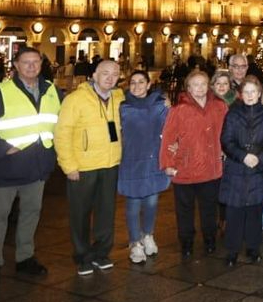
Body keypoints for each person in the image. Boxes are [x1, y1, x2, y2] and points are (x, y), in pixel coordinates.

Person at [0, 47, 59, 288]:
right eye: (25, 62)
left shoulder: (51, 91)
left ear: (41, 64)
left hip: (38, 167)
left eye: (35, 62)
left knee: (31, 214)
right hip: (8, 167)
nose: (31, 66)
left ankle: (25, 258)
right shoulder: (1, 93)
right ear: (16, 66)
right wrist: (2, 149)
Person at [55, 58, 125, 275]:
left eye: (115, 74)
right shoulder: (75, 99)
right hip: (83, 166)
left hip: (110, 163)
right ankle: (83, 255)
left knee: (106, 211)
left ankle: (102, 252)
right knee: (80, 213)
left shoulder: (119, 97)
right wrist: (69, 166)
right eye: (105, 73)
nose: (110, 78)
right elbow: (62, 133)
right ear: (94, 75)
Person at [160, 70, 229, 257]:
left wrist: (226, 150)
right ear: (188, 88)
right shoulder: (179, 109)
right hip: (185, 168)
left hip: (211, 168)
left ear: (209, 86)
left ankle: (209, 239)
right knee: (185, 210)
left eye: (203, 84)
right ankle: (187, 242)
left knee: (209, 208)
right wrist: (168, 163)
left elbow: (227, 133)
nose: (199, 88)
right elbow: (168, 137)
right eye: (195, 85)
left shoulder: (219, 106)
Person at [219, 76, 263, 265]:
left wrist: (260, 158)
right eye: (246, 92)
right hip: (237, 169)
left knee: (255, 212)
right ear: (241, 94)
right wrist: (243, 156)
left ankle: (253, 248)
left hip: (259, 170)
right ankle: (232, 250)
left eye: (253, 92)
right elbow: (226, 140)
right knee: (234, 212)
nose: (250, 95)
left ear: (259, 93)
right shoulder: (233, 114)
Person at [119, 69, 170, 264]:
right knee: (132, 203)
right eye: (133, 82)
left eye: (141, 82)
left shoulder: (160, 105)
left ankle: (148, 234)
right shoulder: (122, 106)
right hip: (131, 159)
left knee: (151, 201)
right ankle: (134, 242)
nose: (137, 86)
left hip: (153, 159)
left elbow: (171, 127)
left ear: (149, 85)